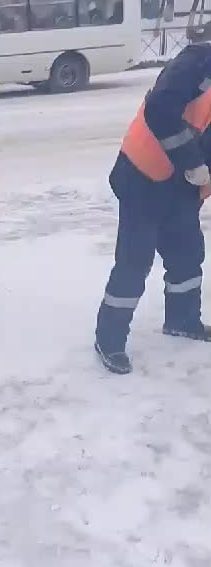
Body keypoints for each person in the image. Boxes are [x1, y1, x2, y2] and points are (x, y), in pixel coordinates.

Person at [95, 39, 211, 374]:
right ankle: (110, 339)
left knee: (187, 253)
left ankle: (182, 320)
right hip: (142, 173)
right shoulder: (198, 61)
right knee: (135, 260)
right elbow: (159, 108)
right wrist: (192, 161)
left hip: (182, 183)